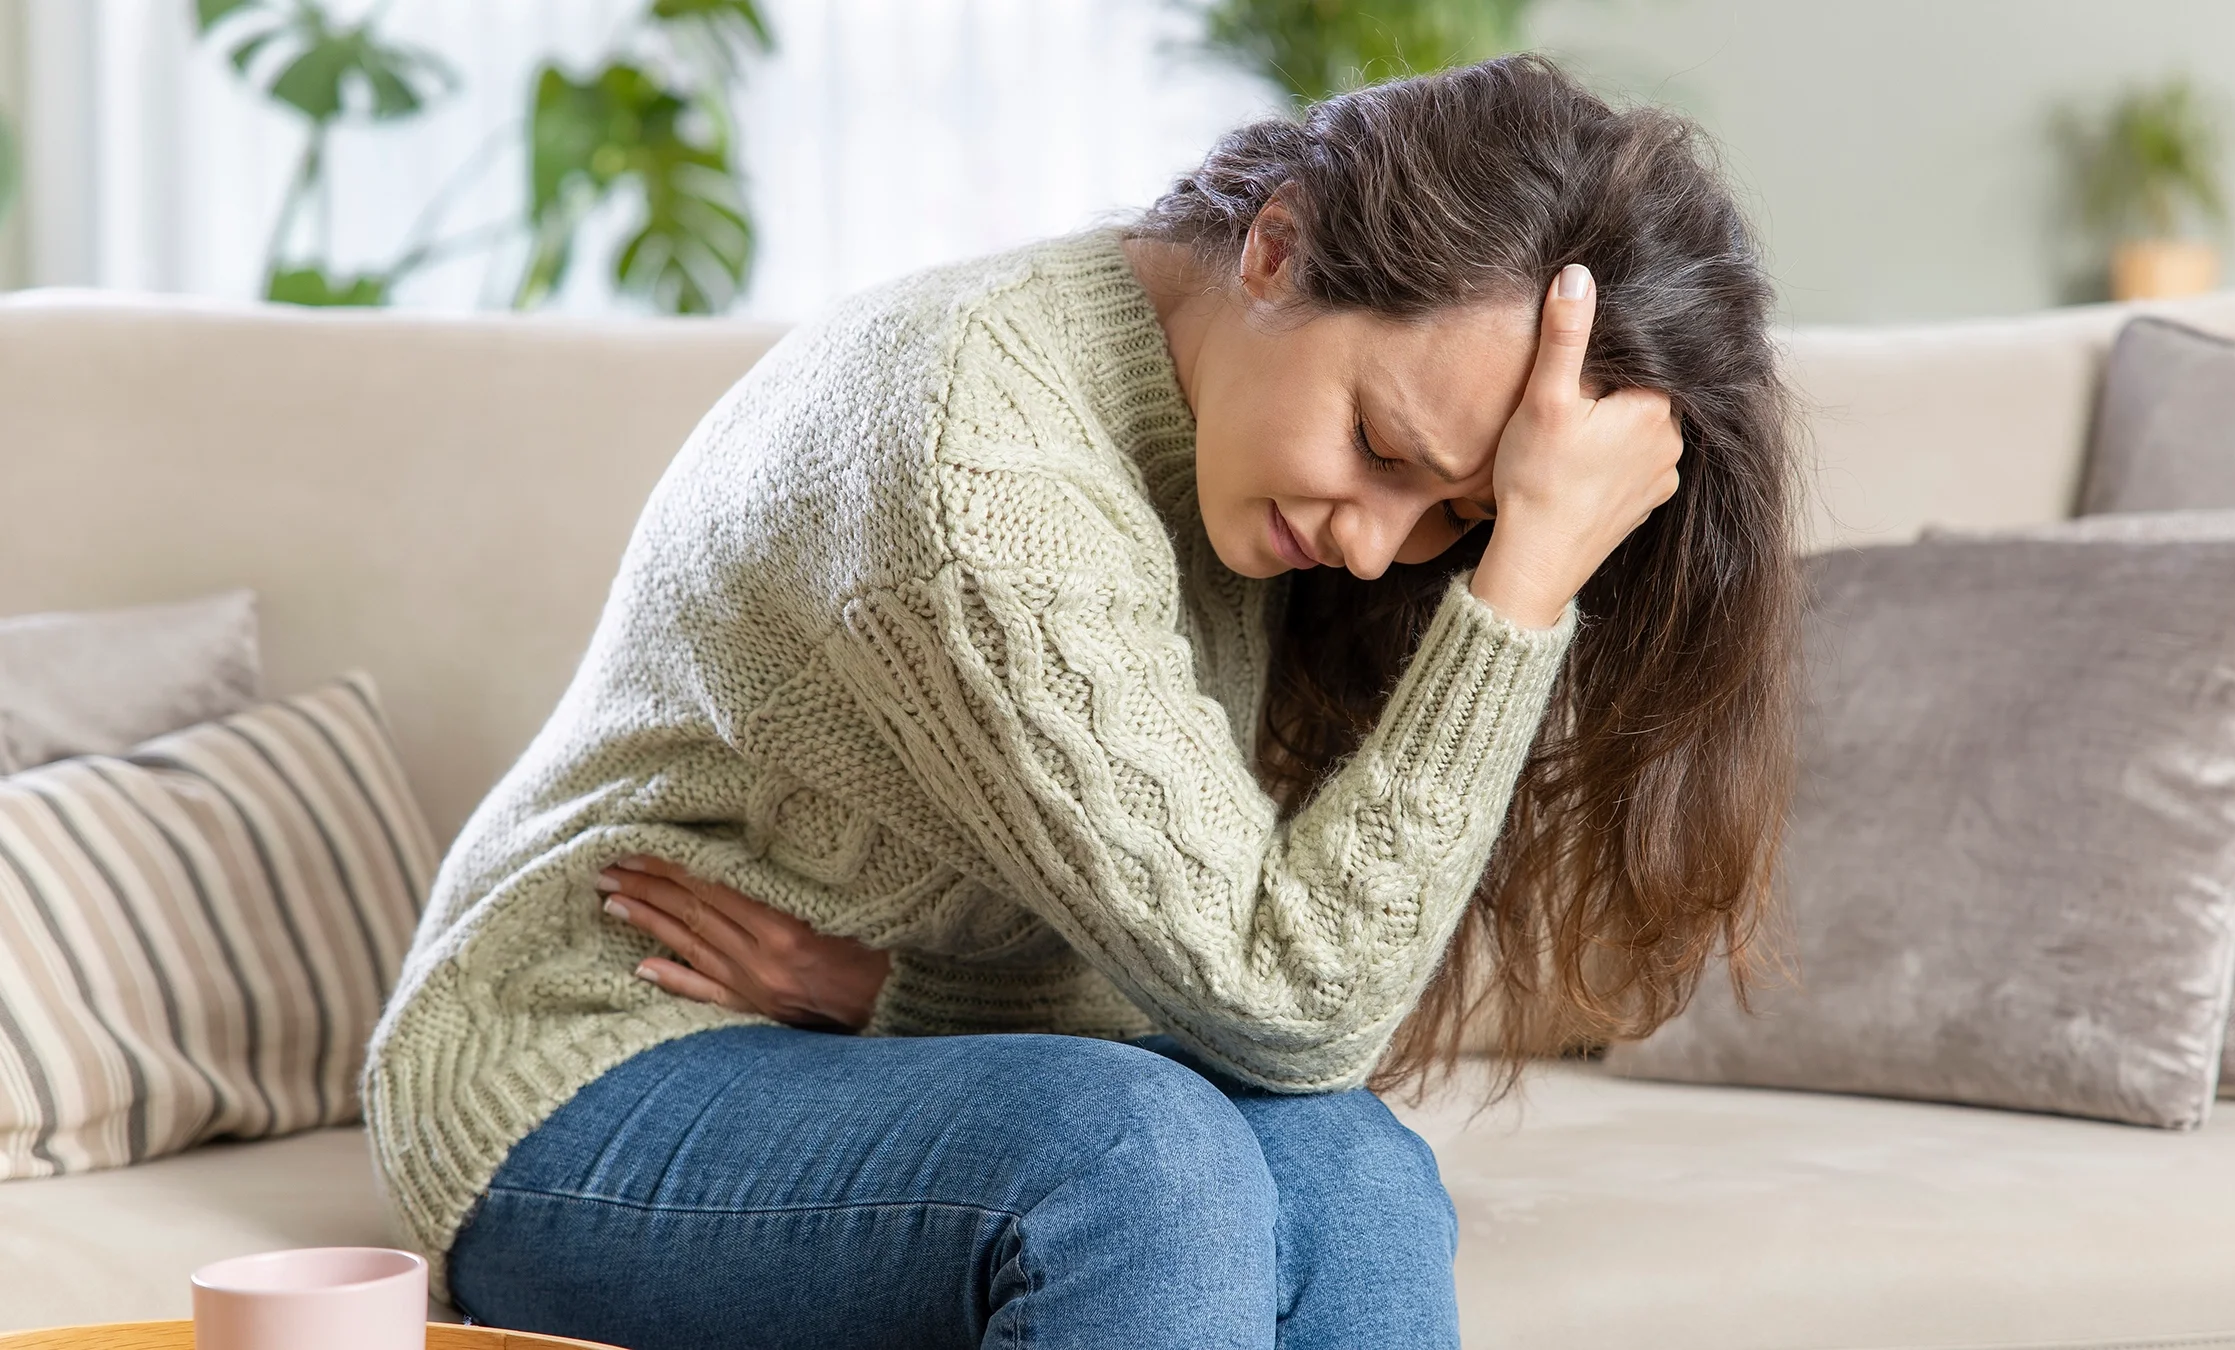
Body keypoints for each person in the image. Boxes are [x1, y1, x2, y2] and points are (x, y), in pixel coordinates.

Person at [363, 52, 1799, 1350]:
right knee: (1133, 1162)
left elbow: (1230, 986)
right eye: (1378, 444)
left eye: (1457, 522)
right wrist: (1525, 580)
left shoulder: (1239, 455)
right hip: (577, 1075)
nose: (1376, 542)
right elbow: (1288, 1002)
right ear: (1278, 247)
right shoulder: (985, 458)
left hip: (853, 1051)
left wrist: (893, 993)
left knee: (1354, 1174)